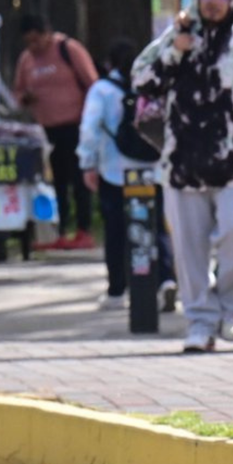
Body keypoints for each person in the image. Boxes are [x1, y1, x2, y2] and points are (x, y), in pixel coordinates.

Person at [133, 0, 233, 353]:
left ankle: (232, 307)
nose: (213, 2)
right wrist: (175, 52)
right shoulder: (177, 38)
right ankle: (199, 321)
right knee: (189, 247)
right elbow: (142, 79)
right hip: (182, 164)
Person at [77, 39, 178, 313]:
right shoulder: (153, 85)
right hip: (152, 170)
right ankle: (166, 280)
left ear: (110, 63)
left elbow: (89, 128)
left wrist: (88, 163)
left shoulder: (102, 90)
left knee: (116, 231)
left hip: (114, 172)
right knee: (156, 227)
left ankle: (117, 290)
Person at [15, 14, 99, 250]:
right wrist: (25, 98)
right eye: (28, 42)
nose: (34, 46)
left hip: (77, 127)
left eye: (37, 40)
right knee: (56, 182)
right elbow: (18, 91)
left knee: (80, 180)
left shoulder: (68, 49)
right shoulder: (27, 60)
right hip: (47, 132)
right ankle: (59, 230)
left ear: (47, 33)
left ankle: (84, 230)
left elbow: (93, 83)